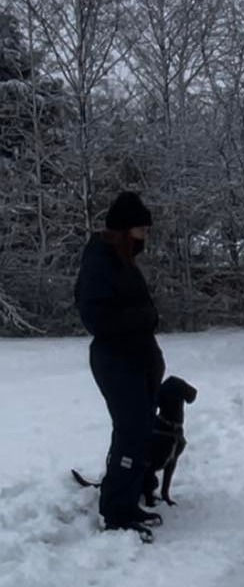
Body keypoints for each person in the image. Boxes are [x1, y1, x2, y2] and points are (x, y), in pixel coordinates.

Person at [74, 191, 165, 536]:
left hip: (136, 357)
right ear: (126, 230)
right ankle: (116, 510)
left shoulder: (122, 260)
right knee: (131, 431)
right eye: (142, 229)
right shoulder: (101, 262)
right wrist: (143, 317)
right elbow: (96, 317)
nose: (146, 236)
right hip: (115, 360)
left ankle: (128, 499)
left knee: (138, 431)